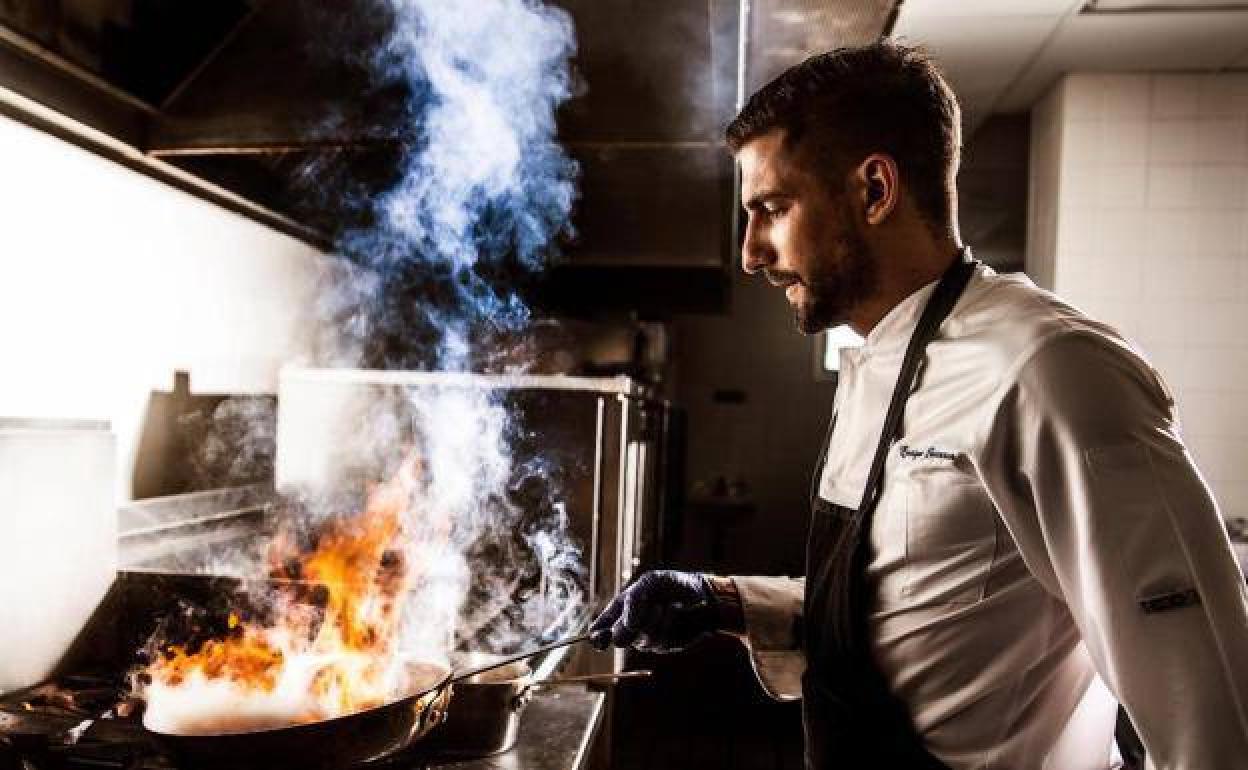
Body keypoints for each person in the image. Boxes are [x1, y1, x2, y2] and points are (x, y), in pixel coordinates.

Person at [589, 41, 1248, 770]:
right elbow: (911, 608)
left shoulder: (1050, 367)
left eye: (772, 209)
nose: (750, 252)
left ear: (874, 190)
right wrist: (726, 600)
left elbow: (1208, 703)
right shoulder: (875, 359)